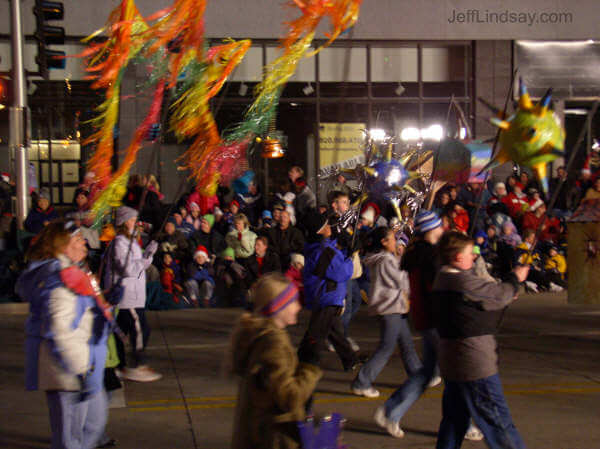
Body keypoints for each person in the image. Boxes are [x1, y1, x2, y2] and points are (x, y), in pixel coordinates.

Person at [18, 220, 110, 449]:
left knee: (92, 423)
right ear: (63, 245)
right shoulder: (61, 278)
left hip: (84, 363)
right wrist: (79, 369)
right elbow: (59, 328)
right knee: (70, 436)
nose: (84, 243)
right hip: (69, 368)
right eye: (78, 239)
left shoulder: (75, 272)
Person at [433, 231, 529, 449]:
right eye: (470, 253)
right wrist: (515, 279)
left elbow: (486, 299)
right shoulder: (460, 281)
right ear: (457, 257)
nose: (474, 257)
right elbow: (497, 295)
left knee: (454, 421)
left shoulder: (442, 278)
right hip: (473, 363)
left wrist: (505, 291)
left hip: (453, 362)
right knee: (498, 423)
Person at [229, 273, 322, 449]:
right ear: (278, 307)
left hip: (257, 433)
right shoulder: (274, 344)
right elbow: (288, 397)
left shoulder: (259, 335)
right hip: (273, 438)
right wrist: (309, 370)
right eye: (293, 302)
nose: (299, 307)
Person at [374, 210, 444, 438]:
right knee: (456, 375)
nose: (442, 229)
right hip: (435, 319)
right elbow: (437, 290)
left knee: (428, 372)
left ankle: (391, 411)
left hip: (423, 317)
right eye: (439, 226)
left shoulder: (416, 253)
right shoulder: (430, 256)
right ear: (431, 230)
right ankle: (464, 424)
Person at [350, 227, 420, 401]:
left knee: (406, 343)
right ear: (383, 242)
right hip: (390, 308)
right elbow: (401, 281)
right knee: (387, 347)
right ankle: (362, 382)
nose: (396, 241)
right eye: (392, 238)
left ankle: (419, 376)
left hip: (395, 307)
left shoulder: (386, 259)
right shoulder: (385, 261)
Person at [103, 206, 161, 382]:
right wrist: (146, 258)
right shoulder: (120, 242)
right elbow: (128, 269)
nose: (136, 223)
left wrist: (148, 253)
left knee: (122, 331)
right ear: (124, 222)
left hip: (133, 295)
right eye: (132, 220)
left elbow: (136, 262)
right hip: (126, 296)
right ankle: (137, 365)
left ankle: (119, 366)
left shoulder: (130, 242)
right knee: (140, 328)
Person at [297, 211, 362, 373]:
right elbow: (342, 272)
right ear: (320, 230)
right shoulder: (322, 251)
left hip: (328, 296)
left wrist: (346, 248)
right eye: (326, 224)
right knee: (315, 335)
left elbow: (335, 258)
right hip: (326, 297)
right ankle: (306, 364)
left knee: (334, 332)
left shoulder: (324, 248)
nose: (329, 226)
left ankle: (350, 359)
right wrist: (351, 255)